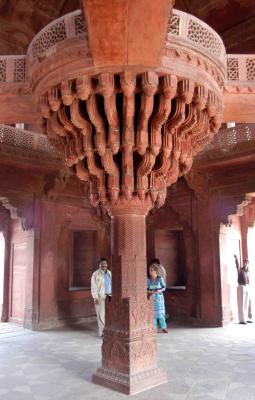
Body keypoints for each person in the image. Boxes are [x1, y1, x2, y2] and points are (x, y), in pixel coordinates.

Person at [91, 258, 112, 337]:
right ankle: (103, 333)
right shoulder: (95, 274)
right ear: (99, 265)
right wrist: (95, 298)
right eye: (102, 264)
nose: (103, 265)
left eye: (105, 264)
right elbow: (93, 287)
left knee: (108, 315)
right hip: (100, 296)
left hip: (109, 296)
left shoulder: (110, 273)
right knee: (100, 315)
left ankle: (109, 331)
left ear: (107, 265)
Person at [147, 263, 168, 333]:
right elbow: (146, 289)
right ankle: (154, 328)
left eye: (151, 270)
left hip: (159, 299)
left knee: (161, 314)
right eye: (149, 270)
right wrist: (150, 291)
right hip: (152, 298)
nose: (150, 272)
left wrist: (159, 290)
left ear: (155, 271)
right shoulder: (148, 280)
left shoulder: (160, 279)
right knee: (153, 315)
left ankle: (164, 327)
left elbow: (164, 287)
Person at [234, 255, 252, 325]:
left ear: (248, 264)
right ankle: (241, 320)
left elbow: (248, 280)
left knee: (246, 303)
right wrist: (236, 259)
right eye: (244, 262)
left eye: (246, 262)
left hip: (247, 287)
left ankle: (246, 318)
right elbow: (237, 265)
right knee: (241, 303)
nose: (245, 263)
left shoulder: (247, 271)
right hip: (241, 286)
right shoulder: (240, 269)